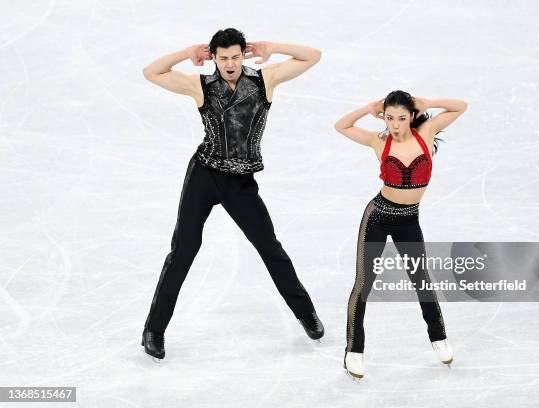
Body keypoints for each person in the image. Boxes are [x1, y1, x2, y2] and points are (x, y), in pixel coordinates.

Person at [140, 28, 324, 360]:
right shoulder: (201, 86)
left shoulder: (264, 80)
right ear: (213, 57)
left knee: (269, 246)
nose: (229, 64)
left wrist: (275, 46)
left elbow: (313, 56)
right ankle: (154, 330)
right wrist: (186, 52)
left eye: (235, 57)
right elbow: (151, 72)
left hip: (240, 182)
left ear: (243, 55)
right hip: (204, 175)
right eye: (222, 58)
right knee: (183, 250)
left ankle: (305, 312)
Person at [334, 90, 468, 378]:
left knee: (421, 279)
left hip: (408, 221)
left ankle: (439, 337)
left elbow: (460, 106)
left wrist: (429, 103)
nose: (395, 125)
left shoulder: (427, 133)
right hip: (378, 217)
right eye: (390, 118)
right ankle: (353, 351)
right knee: (364, 283)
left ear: (412, 117)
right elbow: (341, 126)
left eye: (402, 118)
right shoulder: (378, 141)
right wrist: (366, 108)